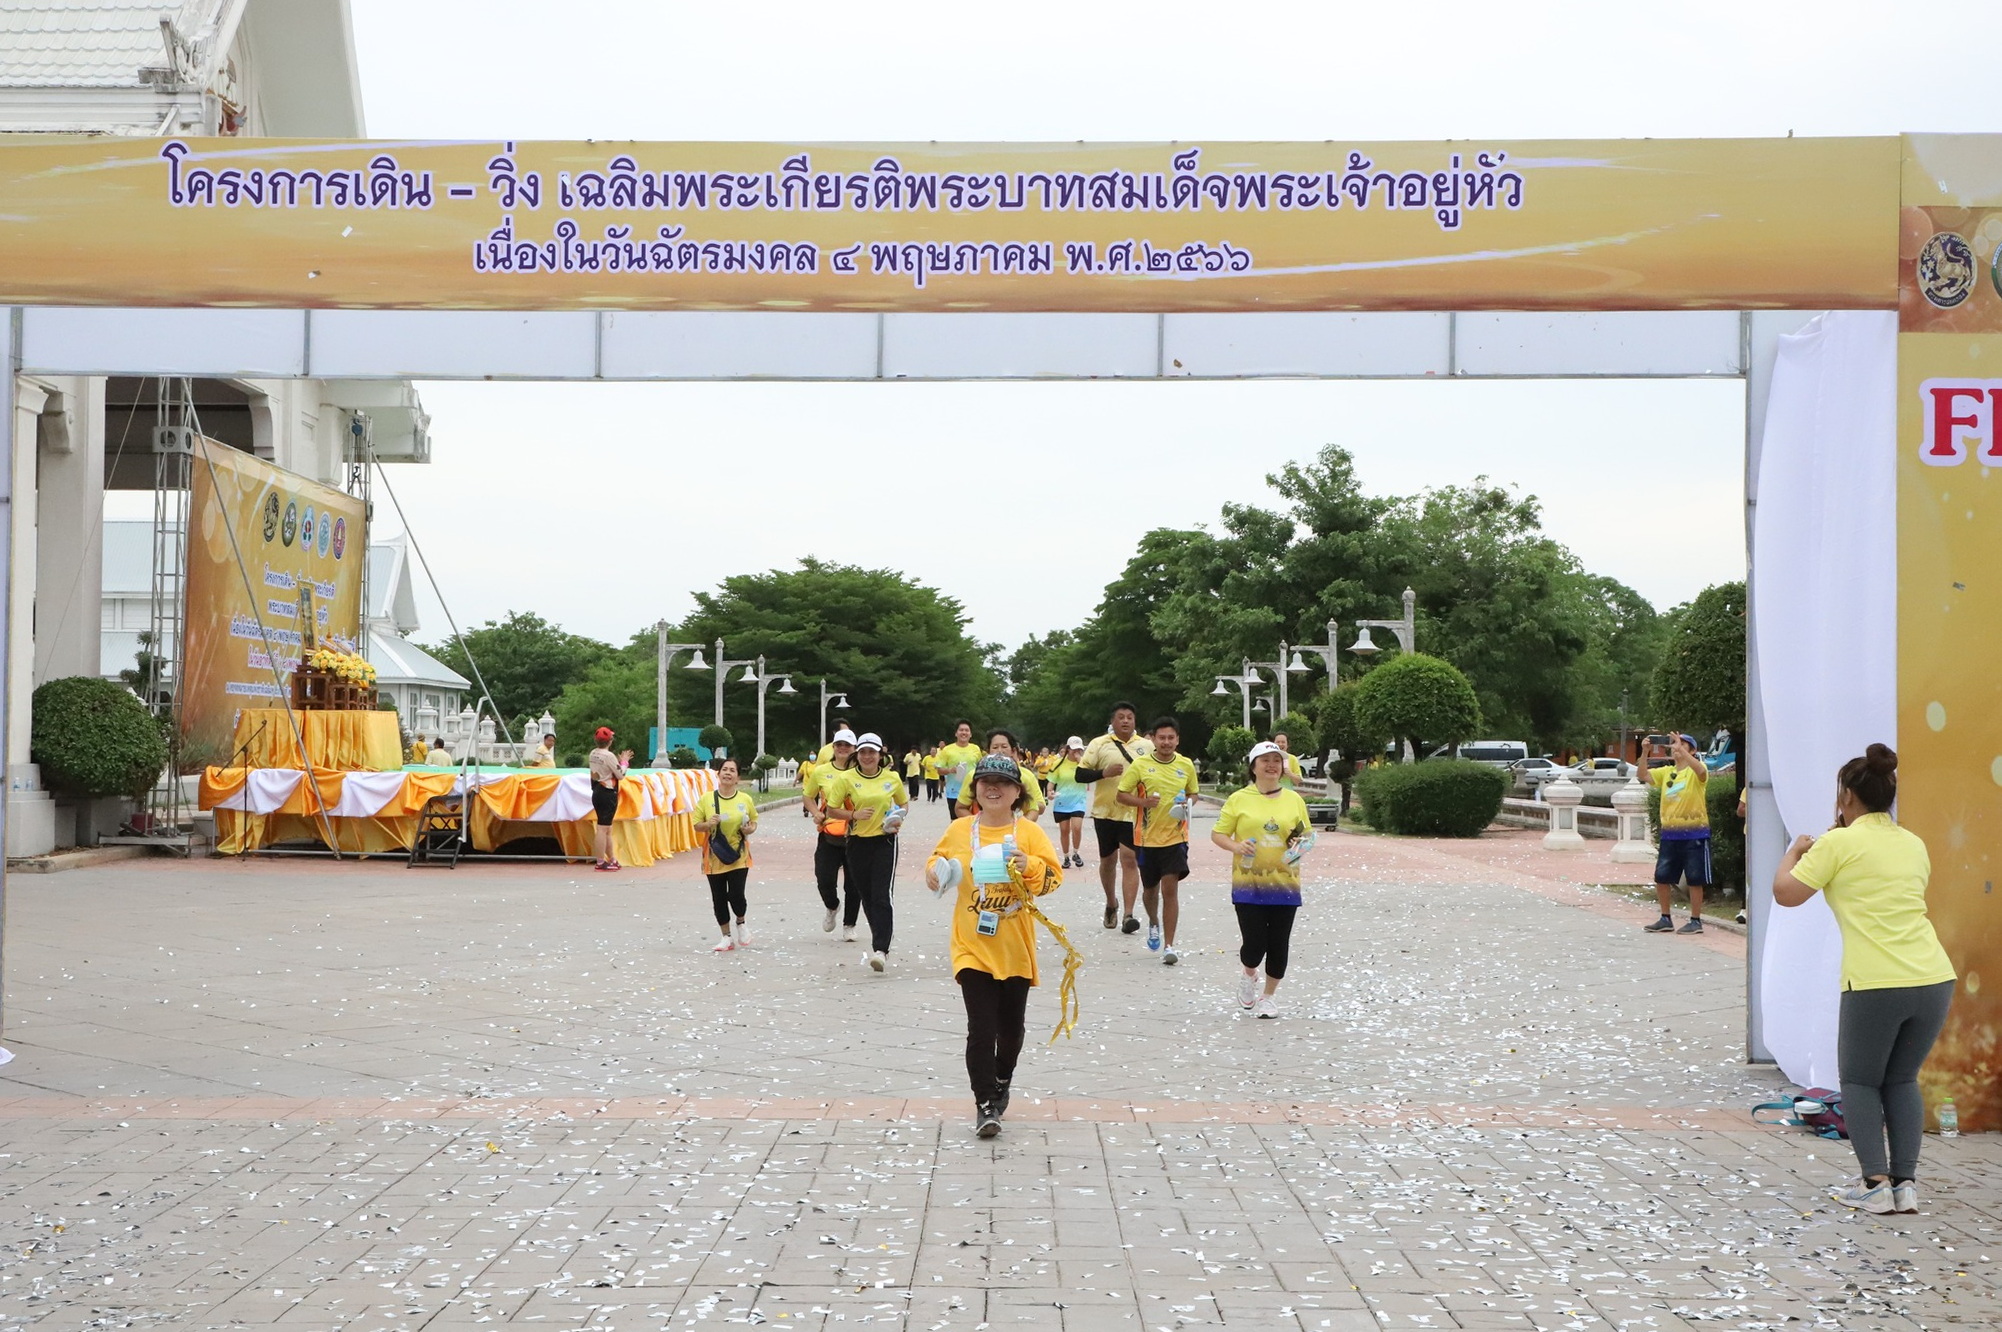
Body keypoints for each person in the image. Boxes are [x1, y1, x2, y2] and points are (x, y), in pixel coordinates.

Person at [1773, 744, 1956, 1216]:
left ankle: (1874, 1183)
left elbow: (1786, 893)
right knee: (1901, 1079)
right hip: (1934, 977)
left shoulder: (1838, 843)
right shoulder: (1912, 842)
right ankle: (1905, 1185)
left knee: (1857, 1080)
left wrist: (1794, 850)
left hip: (1876, 981)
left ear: (1848, 797)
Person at [925, 753, 1063, 1138]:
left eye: (1002, 783)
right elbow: (936, 861)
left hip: (1015, 946)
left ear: (1017, 791)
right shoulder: (959, 830)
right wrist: (934, 874)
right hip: (971, 944)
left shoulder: (1030, 835)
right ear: (975, 790)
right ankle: (985, 1104)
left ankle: (1003, 1078)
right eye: (985, 781)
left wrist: (1029, 865)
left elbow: (1053, 880)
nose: (993, 788)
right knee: (981, 1028)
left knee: (1011, 1031)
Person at [1212, 742, 1315, 1018]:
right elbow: (1218, 834)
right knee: (1255, 944)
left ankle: (1268, 997)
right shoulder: (1238, 799)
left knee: (1279, 943)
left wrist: (1298, 845)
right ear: (1253, 766)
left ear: (1283, 768)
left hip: (1286, 883)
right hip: (1248, 884)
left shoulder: (1295, 800)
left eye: (1276, 761)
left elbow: (1307, 836)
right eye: (1265, 760)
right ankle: (1249, 973)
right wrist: (1236, 846)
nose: (1271, 765)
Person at [1117, 716, 1200, 963]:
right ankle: (1153, 922)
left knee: (1170, 889)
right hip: (1145, 838)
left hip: (1176, 837)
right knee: (1150, 889)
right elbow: (1121, 795)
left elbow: (1194, 794)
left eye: (1170, 738)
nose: (1166, 742)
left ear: (1177, 740)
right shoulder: (1141, 765)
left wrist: (1187, 804)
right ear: (1153, 739)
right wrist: (1143, 802)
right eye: (1161, 738)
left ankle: (1169, 946)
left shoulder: (1185, 765)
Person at [826, 733, 910, 972]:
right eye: (863, 752)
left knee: (882, 895)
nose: (867, 756)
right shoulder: (846, 779)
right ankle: (880, 939)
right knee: (867, 895)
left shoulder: (892, 778)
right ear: (857, 754)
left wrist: (898, 818)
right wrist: (853, 815)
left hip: (885, 841)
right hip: (856, 842)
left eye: (872, 752)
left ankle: (881, 949)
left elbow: (903, 804)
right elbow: (832, 810)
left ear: (880, 755)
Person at [1075, 702, 1153, 933]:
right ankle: (1111, 903)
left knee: (1129, 859)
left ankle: (1129, 914)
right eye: (1121, 717)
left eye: (1130, 717)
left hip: (1134, 812)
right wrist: (1103, 773)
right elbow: (1080, 774)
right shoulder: (1100, 744)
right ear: (1113, 721)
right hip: (1105, 812)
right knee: (1108, 862)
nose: (1126, 721)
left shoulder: (1147, 746)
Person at [1641, 732, 1711, 933]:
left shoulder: (1697, 770)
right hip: (1670, 835)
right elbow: (1643, 775)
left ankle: (1696, 920)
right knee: (1662, 877)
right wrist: (1645, 753)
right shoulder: (1666, 772)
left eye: (1683, 744)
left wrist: (1683, 752)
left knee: (1695, 879)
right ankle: (1665, 918)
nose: (1676, 747)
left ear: (1693, 750)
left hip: (1695, 835)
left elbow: (1700, 771)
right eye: (1674, 744)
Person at [693, 758, 759, 952]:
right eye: (725, 770)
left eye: (732, 770)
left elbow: (753, 821)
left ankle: (741, 922)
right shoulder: (707, 799)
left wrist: (749, 829)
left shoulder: (744, 799)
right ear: (718, 774)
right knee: (719, 897)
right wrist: (708, 824)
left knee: (737, 894)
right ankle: (726, 937)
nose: (728, 773)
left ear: (738, 777)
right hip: (714, 856)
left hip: (739, 855)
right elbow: (697, 825)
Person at [804, 730, 861, 937]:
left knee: (854, 883)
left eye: (847, 745)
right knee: (824, 878)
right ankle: (832, 906)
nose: (843, 749)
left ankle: (850, 925)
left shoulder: (862, 771)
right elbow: (808, 796)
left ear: (854, 749)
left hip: (856, 834)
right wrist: (816, 812)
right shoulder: (821, 771)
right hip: (829, 833)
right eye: (839, 745)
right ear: (833, 747)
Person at [956, 729, 1045, 819]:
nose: (999, 751)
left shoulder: (1026, 776)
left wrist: (1021, 822)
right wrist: (978, 826)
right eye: (995, 747)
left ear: (1013, 751)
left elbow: (1038, 807)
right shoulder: (974, 775)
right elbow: (960, 808)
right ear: (988, 751)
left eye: (1004, 746)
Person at [587, 725, 631, 872]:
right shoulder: (609, 756)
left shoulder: (593, 753)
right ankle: (600, 861)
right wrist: (624, 762)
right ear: (610, 741)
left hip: (597, 790)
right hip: (607, 792)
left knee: (607, 828)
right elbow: (620, 775)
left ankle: (611, 858)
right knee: (602, 828)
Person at [1047, 737, 1090, 869]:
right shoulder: (1058, 763)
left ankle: (1076, 852)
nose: (1076, 751)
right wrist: (1049, 792)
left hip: (1078, 800)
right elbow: (1051, 781)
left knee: (1076, 827)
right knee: (1064, 830)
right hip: (1062, 801)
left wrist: (1080, 761)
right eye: (1073, 749)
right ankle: (1066, 856)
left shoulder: (1083, 763)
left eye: (1079, 749)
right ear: (1068, 749)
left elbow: (1088, 775)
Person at [936, 721, 982, 811]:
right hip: (954, 791)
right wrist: (950, 770)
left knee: (973, 819)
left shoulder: (975, 749)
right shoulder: (947, 750)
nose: (964, 733)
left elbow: (980, 767)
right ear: (956, 733)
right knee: (955, 820)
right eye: (961, 730)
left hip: (972, 790)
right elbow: (939, 770)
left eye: (966, 730)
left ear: (970, 734)